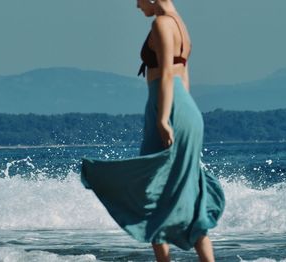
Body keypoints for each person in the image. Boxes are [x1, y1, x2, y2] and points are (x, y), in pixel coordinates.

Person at [80, 0, 225, 261]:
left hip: (167, 108)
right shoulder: (179, 23)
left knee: (153, 189)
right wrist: (177, 112)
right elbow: (184, 76)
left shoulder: (161, 23)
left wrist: (162, 118)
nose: (136, 5)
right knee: (183, 189)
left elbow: (168, 74)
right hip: (183, 109)